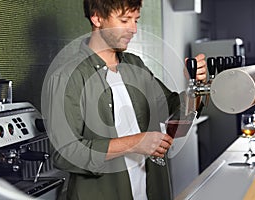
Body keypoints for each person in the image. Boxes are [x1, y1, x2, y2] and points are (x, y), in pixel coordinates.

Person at [41, 0, 207, 199]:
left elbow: (173, 110)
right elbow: (65, 153)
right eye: (125, 20)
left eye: (136, 20)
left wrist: (195, 87)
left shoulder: (135, 64)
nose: (133, 29)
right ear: (97, 18)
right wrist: (134, 143)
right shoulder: (66, 77)